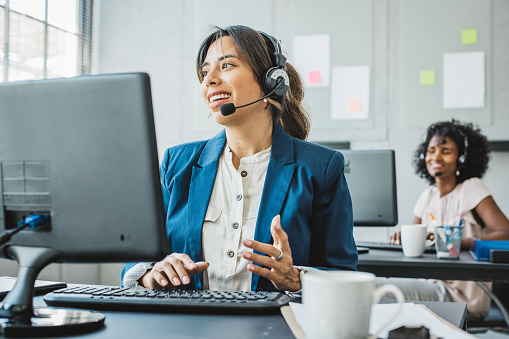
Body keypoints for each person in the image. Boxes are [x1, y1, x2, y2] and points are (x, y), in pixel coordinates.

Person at [120, 25, 357, 293]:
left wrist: (297, 279)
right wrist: (151, 274)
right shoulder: (177, 163)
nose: (209, 80)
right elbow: (135, 264)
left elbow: (343, 274)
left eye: (227, 65)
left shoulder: (320, 168)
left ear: (271, 83)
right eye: (205, 72)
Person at [382, 119, 509, 320]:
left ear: (462, 158)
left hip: (461, 298)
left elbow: (506, 234)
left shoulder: (471, 188)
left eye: (446, 151)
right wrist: (403, 238)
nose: (436, 156)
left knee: (376, 290)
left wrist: (456, 241)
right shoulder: (428, 195)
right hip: (430, 285)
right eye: (431, 150)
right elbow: (416, 240)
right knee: (376, 285)